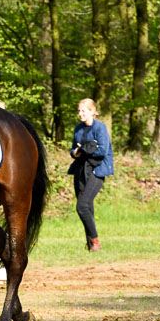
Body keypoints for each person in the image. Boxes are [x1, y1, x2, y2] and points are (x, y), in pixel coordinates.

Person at [68, 98, 114, 251]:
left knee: (82, 206)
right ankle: (90, 244)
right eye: (79, 111)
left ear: (92, 112)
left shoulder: (100, 127)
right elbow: (73, 151)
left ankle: (95, 241)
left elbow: (102, 151)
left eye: (83, 111)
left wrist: (83, 149)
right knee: (88, 207)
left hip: (97, 169)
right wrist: (78, 151)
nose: (80, 114)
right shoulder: (78, 128)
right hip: (81, 170)